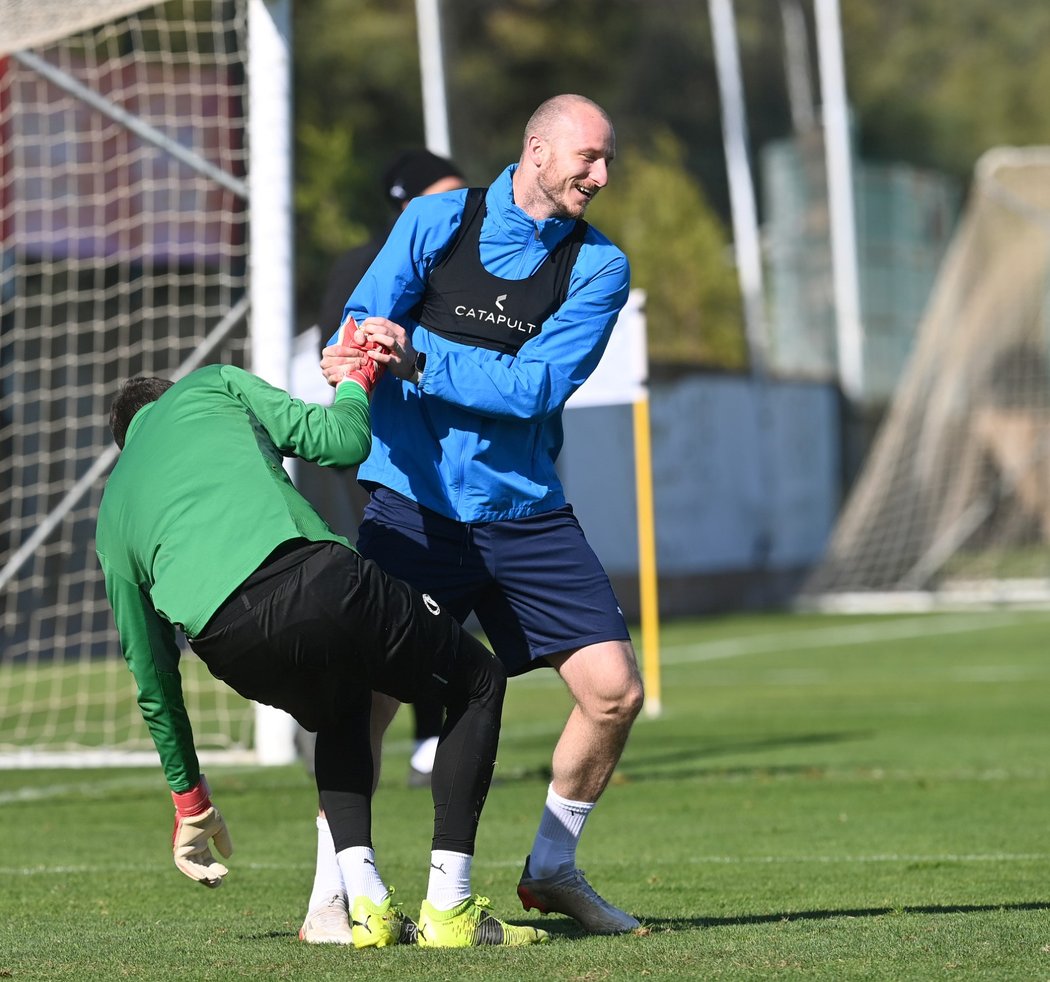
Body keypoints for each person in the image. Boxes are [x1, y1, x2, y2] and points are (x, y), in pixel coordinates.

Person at [320, 93, 645, 935]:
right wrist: (354, 356)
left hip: (525, 514)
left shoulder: (600, 267)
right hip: (412, 505)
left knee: (613, 693)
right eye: (589, 159)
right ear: (537, 150)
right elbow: (366, 319)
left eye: (608, 161)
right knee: (366, 696)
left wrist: (418, 355)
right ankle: (335, 887)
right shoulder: (435, 222)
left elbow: (536, 386)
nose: (601, 176)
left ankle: (552, 869)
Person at [94, 359, 548, 949]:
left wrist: (191, 801)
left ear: (126, 444)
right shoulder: (211, 386)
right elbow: (341, 442)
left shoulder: (110, 518)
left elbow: (153, 680)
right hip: (310, 578)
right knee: (479, 679)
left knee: (343, 710)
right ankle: (452, 908)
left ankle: (366, 905)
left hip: (228, 645)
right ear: (170, 395)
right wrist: (358, 381)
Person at [300, 149, 467, 790]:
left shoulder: (479, 259)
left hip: (461, 463)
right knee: (398, 601)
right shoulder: (364, 265)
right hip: (387, 462)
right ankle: (349, 728)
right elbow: (340, 359)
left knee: (439, 606)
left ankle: (432, 736)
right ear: (406, 203)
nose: (461, 207)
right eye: (443, 195)